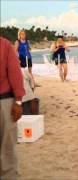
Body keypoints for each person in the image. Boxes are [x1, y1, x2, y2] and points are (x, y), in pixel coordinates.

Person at [0, 37, 25, 180]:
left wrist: (18, 101)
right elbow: (15, 73)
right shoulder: (4, 44)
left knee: (7, 149)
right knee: (7, 151)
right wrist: (18, 101)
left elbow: (15, 73)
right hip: (4, 104)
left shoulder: (4, 45)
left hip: (5, 102)